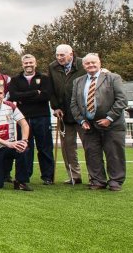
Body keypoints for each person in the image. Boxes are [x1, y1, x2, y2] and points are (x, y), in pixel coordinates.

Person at [70, 53, 127, 191]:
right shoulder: (78, 81)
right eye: (87, 63)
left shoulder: (113, 78)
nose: (91, 65)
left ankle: (115, 181)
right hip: (89, 124)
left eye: (93, 62)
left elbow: (121, 100)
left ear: (99, 62)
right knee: (92, 153)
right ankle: (97, 180)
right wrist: (81, 120)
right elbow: (74, 104)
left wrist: (109, 118)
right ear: (83, 66)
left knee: (114, 153)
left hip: (112, 124)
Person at [7, 54, 55, 185]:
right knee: (25, 147)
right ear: (22, 64)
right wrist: (35, 92)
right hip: (23, 118)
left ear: (35, 63)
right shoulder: (15, 80)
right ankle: (25, 176)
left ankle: (47, 176)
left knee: (45, 147)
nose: (28, 65)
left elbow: (46, 96)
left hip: (42, 117)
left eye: (31, 62)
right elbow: (14, 96)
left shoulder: (44, 78)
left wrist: (24, 97)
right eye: (26, 63)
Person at [48, 44, 86, 185]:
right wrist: (55, 107)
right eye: (57, 55)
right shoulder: (53, 67)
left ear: (71, 54)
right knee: (67, 147)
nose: (59, 58)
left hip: (83, 114)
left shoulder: (83, 63)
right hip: (63, 114)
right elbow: (50, 89)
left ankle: (96, 177)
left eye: (62, 55)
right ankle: (74, 176)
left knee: (90, 146)